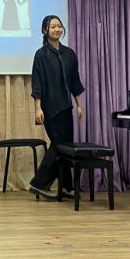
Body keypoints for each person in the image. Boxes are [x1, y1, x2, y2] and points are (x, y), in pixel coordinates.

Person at [29, 15, 85, 200]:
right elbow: (37, 82)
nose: (57, 29)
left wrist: (79, 105)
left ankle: (66, 186)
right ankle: (38, 184)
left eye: (59, 26)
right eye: (52, 26)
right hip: (50, 108)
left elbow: (74, 81)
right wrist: (37, 108)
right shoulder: (41, 55)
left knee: (66, 147)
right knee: (59, 146)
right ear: (45, 30)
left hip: (66, 106)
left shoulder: (69, 54)